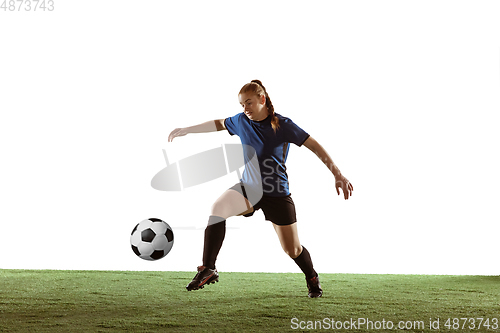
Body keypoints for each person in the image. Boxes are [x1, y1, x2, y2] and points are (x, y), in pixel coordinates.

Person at [168, 80, 353, 298]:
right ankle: (208, 268)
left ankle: (312, 277)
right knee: (218, 208)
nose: (245, 109)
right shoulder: (240, 121)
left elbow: (314, 146)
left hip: (277, 194)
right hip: (249, 188)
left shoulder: (283, 125)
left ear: (262, 99)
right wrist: (186, 130)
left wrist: (337, 173)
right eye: (242, 105)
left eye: (249, 103)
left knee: (292, 249)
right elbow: (218, 123)